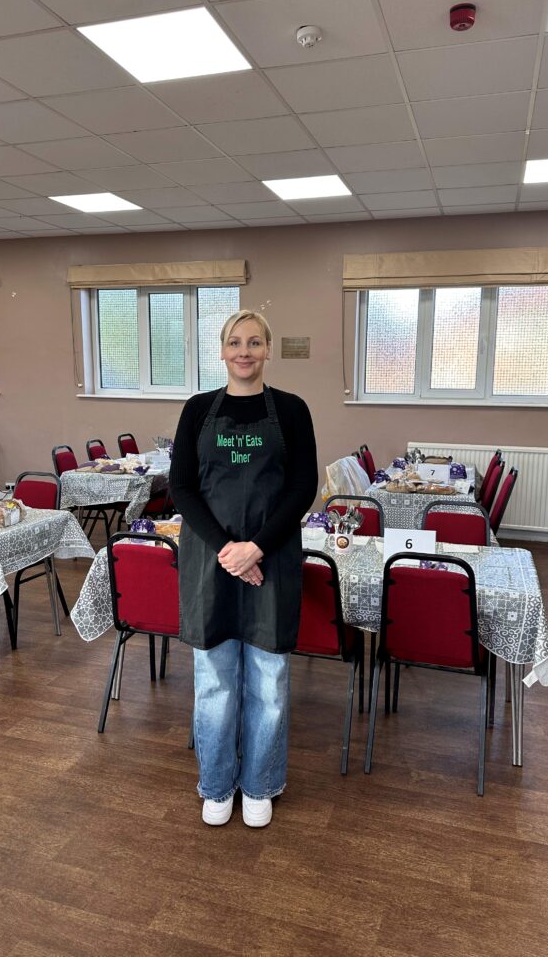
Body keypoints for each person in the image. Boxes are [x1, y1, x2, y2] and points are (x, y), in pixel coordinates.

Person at [170, 310, 318, 828]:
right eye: (235, 342)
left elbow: (302, 488)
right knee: (214, 680)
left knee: (268, 679)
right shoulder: (195, 411)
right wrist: (230, 551)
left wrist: (256, 548)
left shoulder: (293, 411)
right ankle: (216, 785)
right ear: (222, 350)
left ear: (268, 349)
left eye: (254, 342)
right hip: (211, 563)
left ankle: (259, 783)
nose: (244, 351)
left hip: (271, 560)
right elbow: (183, 488)